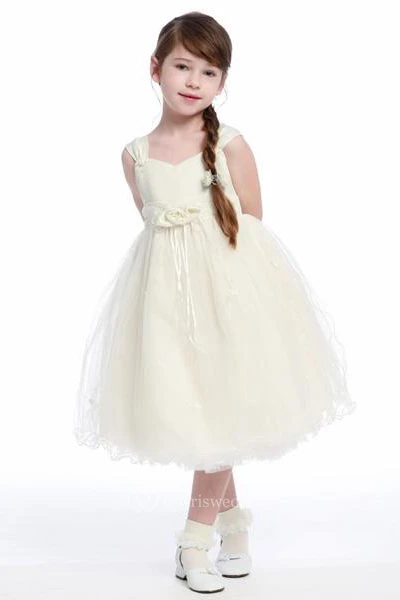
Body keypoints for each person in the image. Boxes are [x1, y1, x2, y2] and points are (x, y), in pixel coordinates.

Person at [73, 10, 357, 594]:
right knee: (202, 416)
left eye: (209, 72)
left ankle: (193, 541)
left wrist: (234, 298)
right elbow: (155, 225)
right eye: (183, 66)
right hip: (163, 303)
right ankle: (236, 529)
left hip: (227, 298)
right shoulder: (135, 154)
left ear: (222, 82)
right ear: (155, 68)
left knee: (219, 415)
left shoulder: (230, 144)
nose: (194, 81)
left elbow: (251, 222)